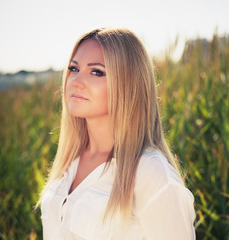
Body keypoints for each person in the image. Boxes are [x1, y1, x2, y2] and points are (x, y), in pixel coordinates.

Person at [39, 27, 196, 240]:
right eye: (74, 69)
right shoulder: (68, 161)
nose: (75, 82)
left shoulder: (150, 172)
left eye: (96, 72)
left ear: (128, 82)